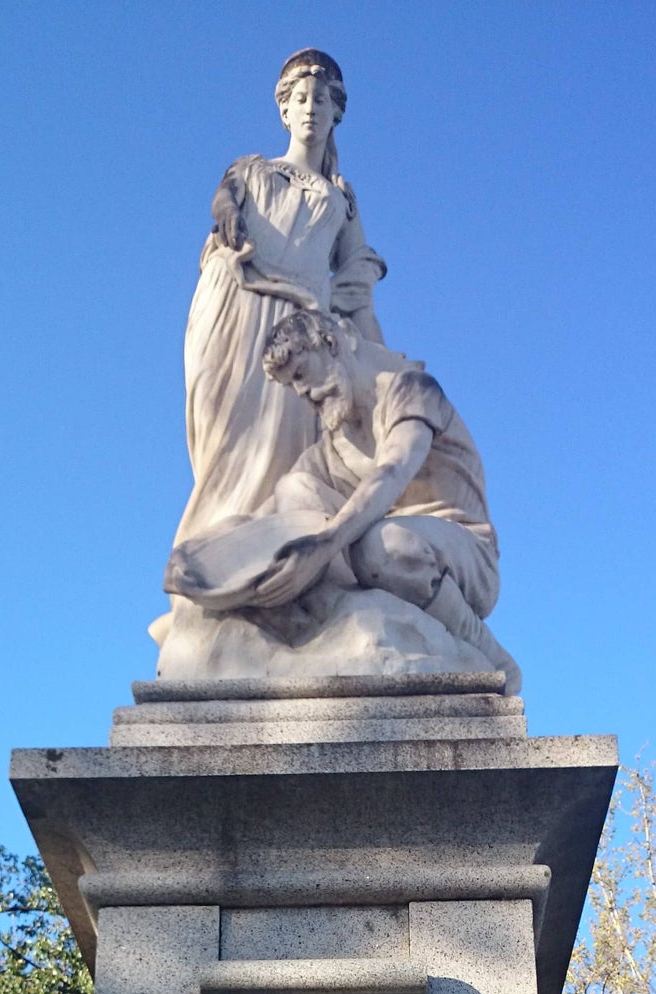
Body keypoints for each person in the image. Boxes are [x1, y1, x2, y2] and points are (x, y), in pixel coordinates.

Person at [174, 49, 386, 545]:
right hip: (237, 308)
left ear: (336, 113)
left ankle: (269, 554)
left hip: (300, 336)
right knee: (227, 439)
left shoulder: (341, 198)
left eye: (320, 99)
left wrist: (378, 359)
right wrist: (225, 208)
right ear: (285, 110)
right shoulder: (251, 170)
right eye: (301, 98)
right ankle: (214, 551)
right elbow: (223, 199)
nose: (310, 107)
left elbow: (356, 277)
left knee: (287, 460)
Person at [250, 309, 501, 650]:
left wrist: (325, 544)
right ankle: (337, 620)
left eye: (301, 372)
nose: (303, 392)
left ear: (336, 342)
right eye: (292, 387)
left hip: (465, 553)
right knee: (293, 490)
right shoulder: (334, 446)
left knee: (382, 546)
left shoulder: (411, 390)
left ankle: (478, 645)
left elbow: (393, 470)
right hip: (382, 552)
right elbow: (267, 515)